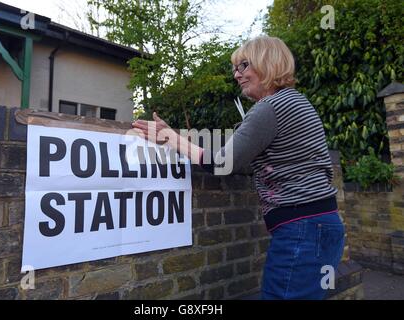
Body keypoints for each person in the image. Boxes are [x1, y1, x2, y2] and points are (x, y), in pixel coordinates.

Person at [132, 36, 345, 300]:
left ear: (267, 62)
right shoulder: (297, 102)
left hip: (301, 230)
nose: (237, 74)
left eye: (243, 66)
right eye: (236, 68)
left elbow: (222, 163)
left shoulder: (269, 108)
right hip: (323, 225)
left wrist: (171, 138)